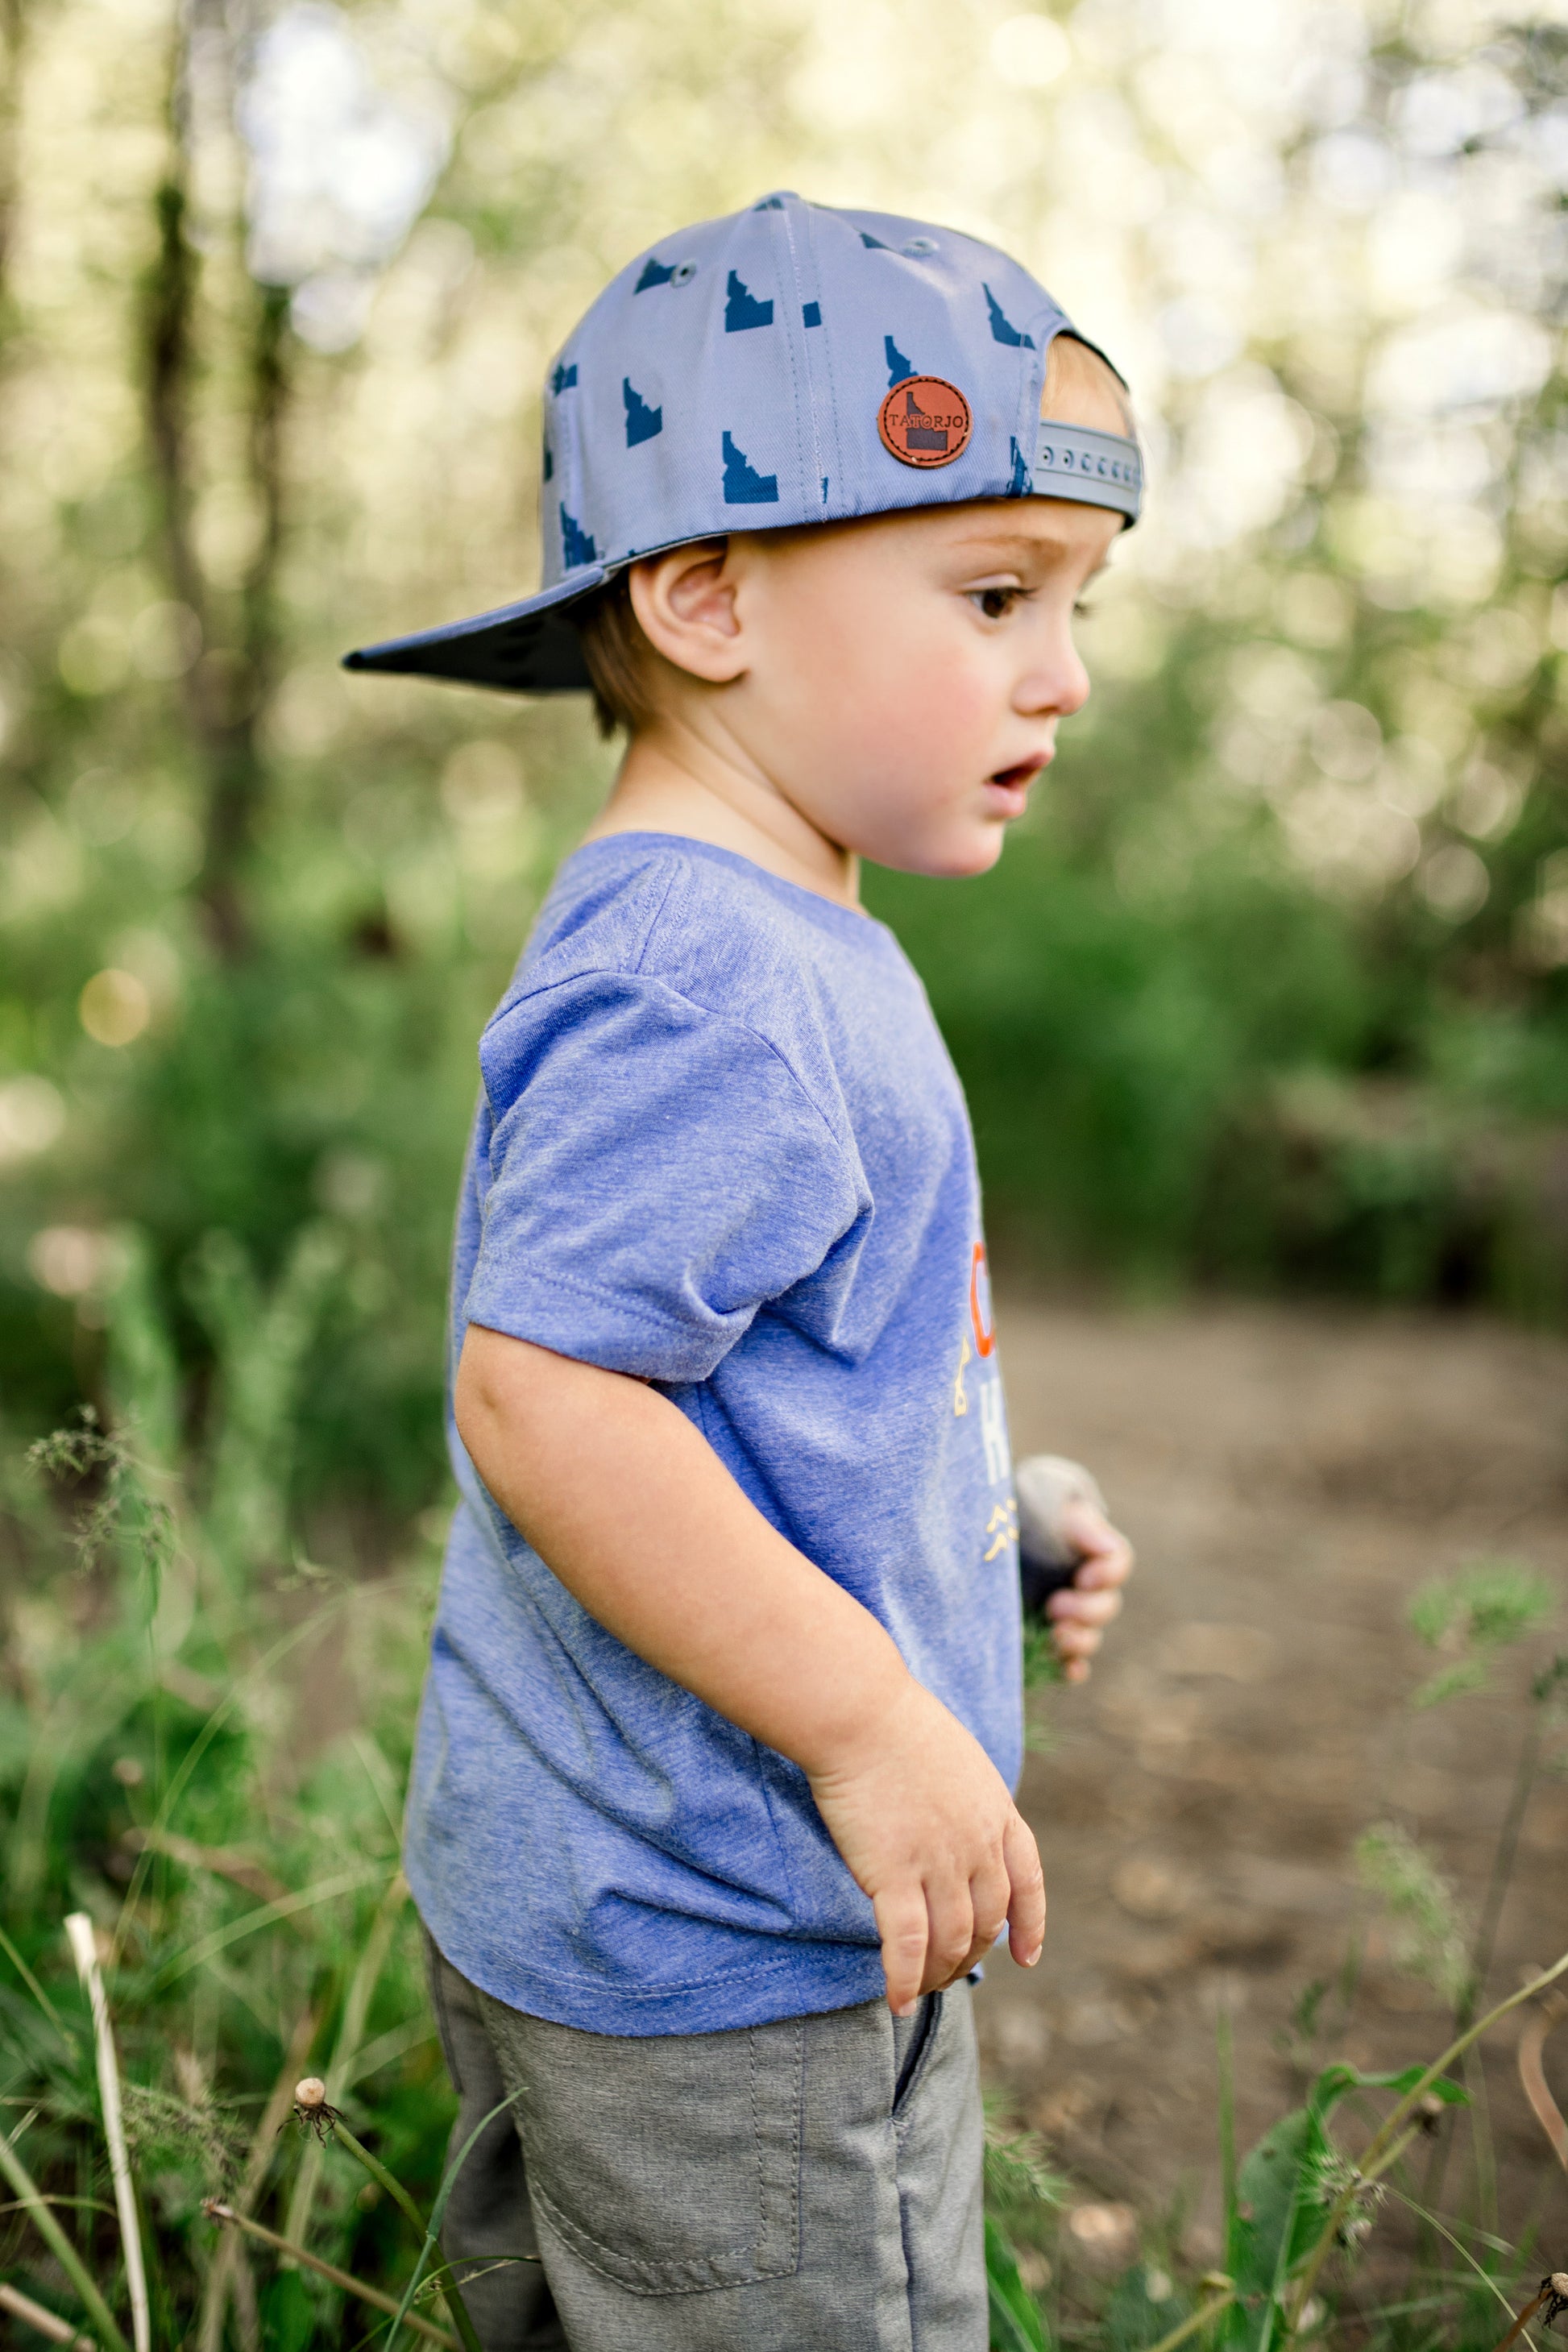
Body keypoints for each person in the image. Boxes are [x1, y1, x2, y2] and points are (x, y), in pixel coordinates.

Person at [345, 191, 1138, 2352]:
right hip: (735, 1957)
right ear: (705, 598)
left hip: (608, 1910)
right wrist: (869, 1717)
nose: (1059, 673)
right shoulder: (716, 972)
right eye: (991, 595)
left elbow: (732, 1381)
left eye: (1072, 602)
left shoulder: (751, 929)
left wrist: (978, 1521)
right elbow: (553, 1399)